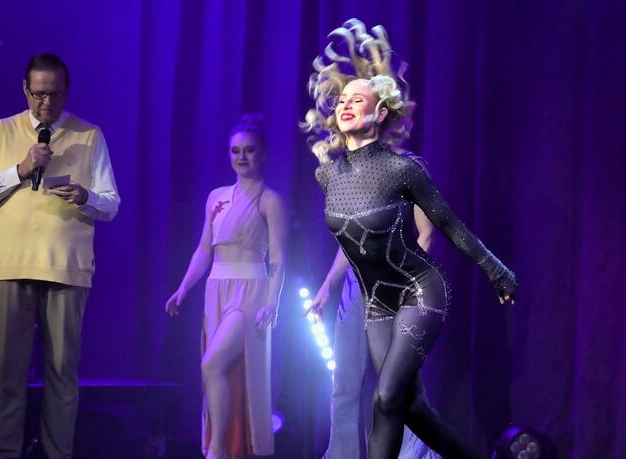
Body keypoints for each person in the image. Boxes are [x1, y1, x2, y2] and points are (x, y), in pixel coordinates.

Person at [302, 19, 516, 459]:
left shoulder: (404, 170)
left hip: (415, 290)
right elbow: (352, 243)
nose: (346, 105)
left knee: (385, 400)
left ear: (380, 114)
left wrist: (496, 270)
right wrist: (326, 288)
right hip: (370, 297)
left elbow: (447, 227)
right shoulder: (329, 176)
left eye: (358, 99)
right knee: (410, 408)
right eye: (343, 100)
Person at [0, 53, 120, 459]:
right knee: (8, 374)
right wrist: (19, 169)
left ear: (66, 91)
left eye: (55, 94)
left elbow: (111, 204)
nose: (46, 102)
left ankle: (57, 454)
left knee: (61, 373)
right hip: (11, 266)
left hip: (67, 269)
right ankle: (5, 453)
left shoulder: (90, 135)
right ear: (25, 89)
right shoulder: (1, 132)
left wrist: (86, 196)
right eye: (38, 94)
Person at [166, 115, 287, 459]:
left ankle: (217, 449)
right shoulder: (215, 197)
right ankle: (225, 446)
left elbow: (278, 257)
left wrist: (273, 302)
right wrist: (183, 288)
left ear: (263, 154)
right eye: (235, 151)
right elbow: (204, 250)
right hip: (216, 290)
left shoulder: (270, 201)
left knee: (212, 365)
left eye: (249, 150)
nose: (241, 157)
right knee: (221, 372)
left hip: (250, 293)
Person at [313, 166, 439, 459]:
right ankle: (342, 453)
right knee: (344, 380)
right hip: (355, 285)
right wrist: (327, 287)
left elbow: (427, 233)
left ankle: (412, 454)